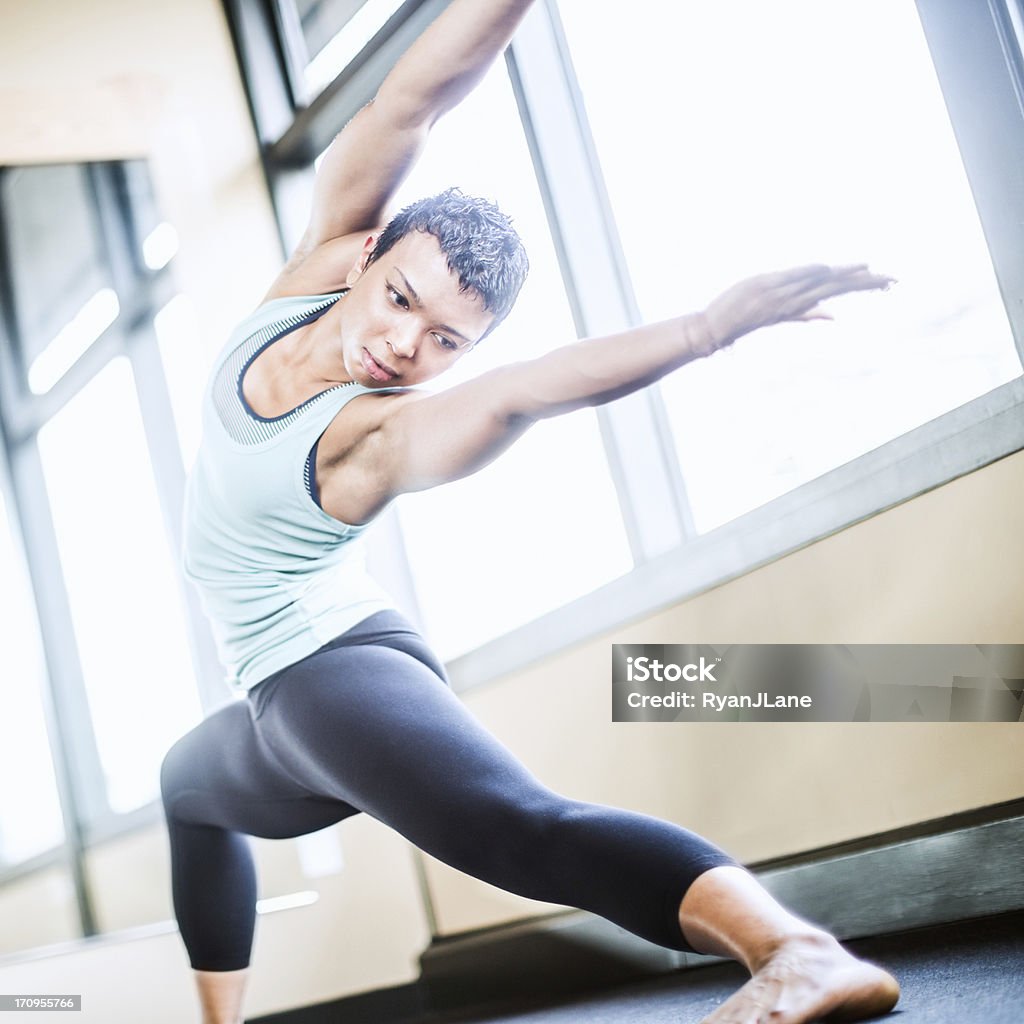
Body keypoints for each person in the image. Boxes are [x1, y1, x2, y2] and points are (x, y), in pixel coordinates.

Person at [159, 2, 901, 1022]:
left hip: (327, 672)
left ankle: (796, 948)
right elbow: (414, 98)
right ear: (370, 253)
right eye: (402, 300)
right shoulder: (321, 259)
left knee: (523, 830)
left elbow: (526, 389)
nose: (405, 345)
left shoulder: (374, 437)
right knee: (186, 789)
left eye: (446, 342)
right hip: (276, 704)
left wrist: (701, 328)